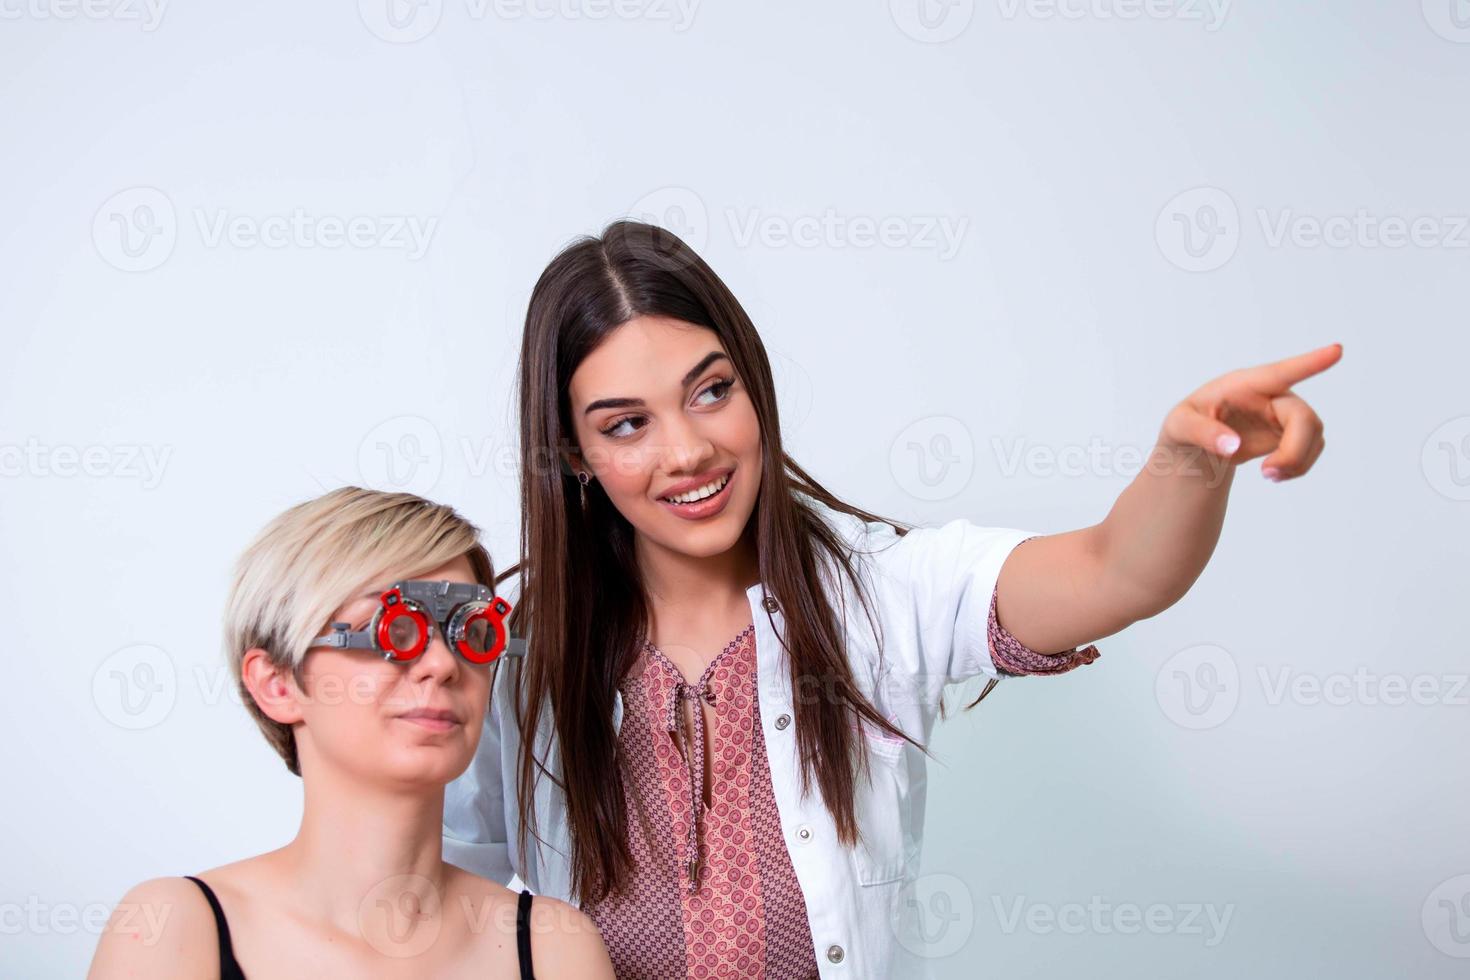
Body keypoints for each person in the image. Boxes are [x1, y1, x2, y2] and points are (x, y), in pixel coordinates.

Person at [444, 221, 1339, 977]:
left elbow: (1116, 572)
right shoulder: (515, 658)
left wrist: (1192, 460)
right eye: (627, 424)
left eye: (711, 391)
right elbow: (451, 901)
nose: (687, 452)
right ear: (571, 455)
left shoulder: (879, 592)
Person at [89, 487, 614, 979]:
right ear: (276, 684)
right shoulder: (174, 929)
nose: (441, 664)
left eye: (471, 633)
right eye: (394, 630)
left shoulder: (555, 947)